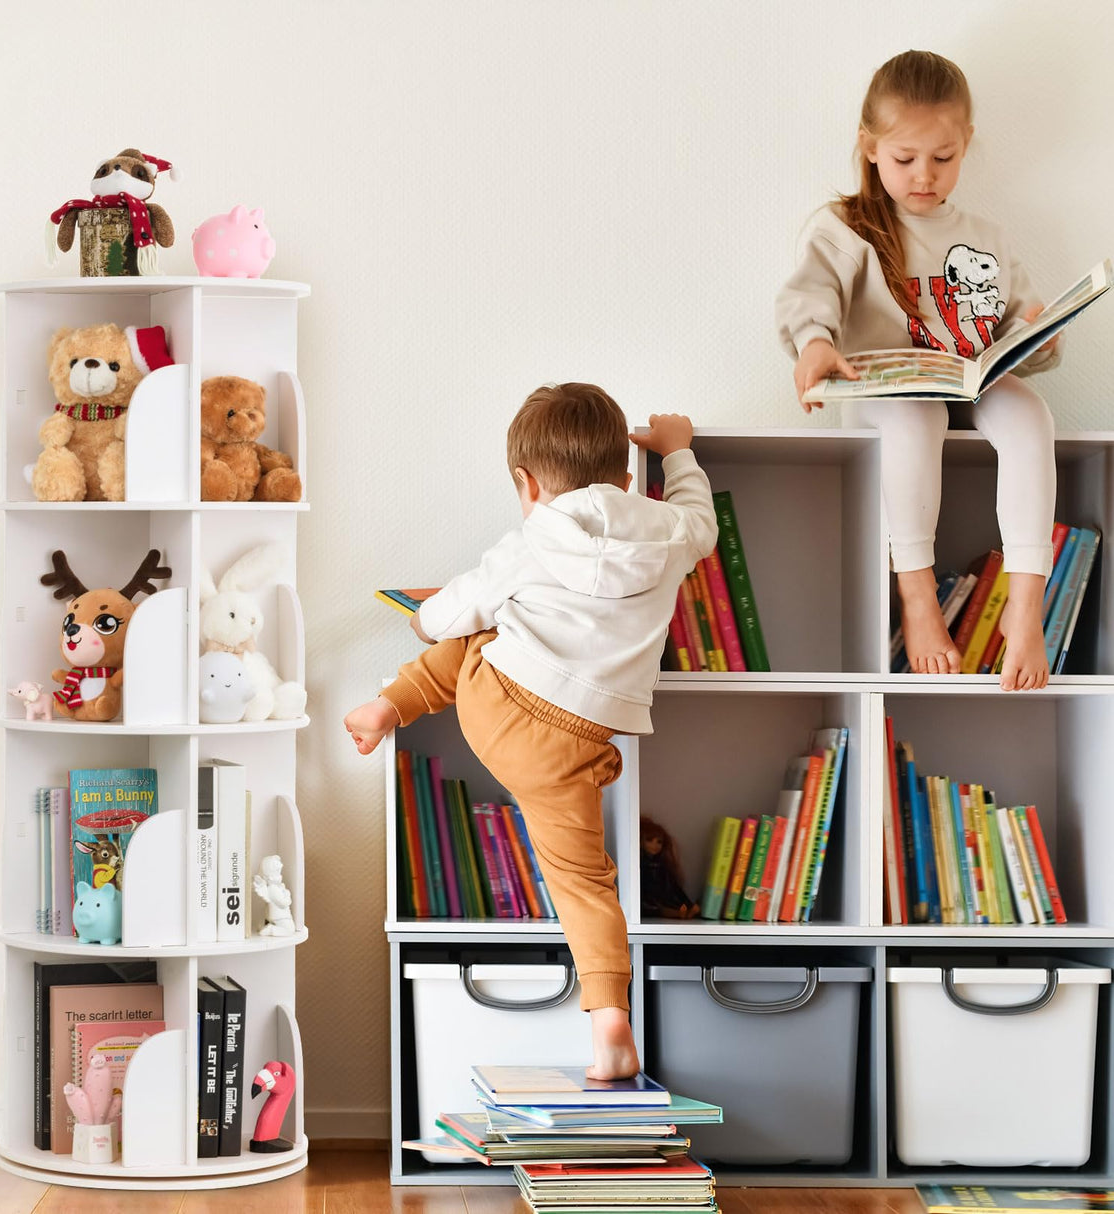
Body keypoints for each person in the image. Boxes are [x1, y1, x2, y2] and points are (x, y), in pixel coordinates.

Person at [344, 384, 718, 1079]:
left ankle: (386, 707)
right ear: (628, 478)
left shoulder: (534, 536)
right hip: (578, 742)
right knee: (585, 883)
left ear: (528, 483)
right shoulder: (670, 533)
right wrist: (682, 449)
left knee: (479, 628)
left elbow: (446, 617)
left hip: (496, 706)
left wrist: (423, 617)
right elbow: (703, 517)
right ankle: (610, 1021)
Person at [776, 49, 1061, 690]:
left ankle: (1025, 608)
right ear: (870, 148)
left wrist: (1037, 335)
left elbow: (1017, 324)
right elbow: (807, 297)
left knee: (1029, 415)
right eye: (905, 159)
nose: (925, 176)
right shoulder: (845, 226)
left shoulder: (985, 234)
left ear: (966, 146)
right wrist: (816, 344)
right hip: (884, 387)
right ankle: (917, 595)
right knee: (917, 414)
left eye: (944, 157)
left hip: (967, 375)